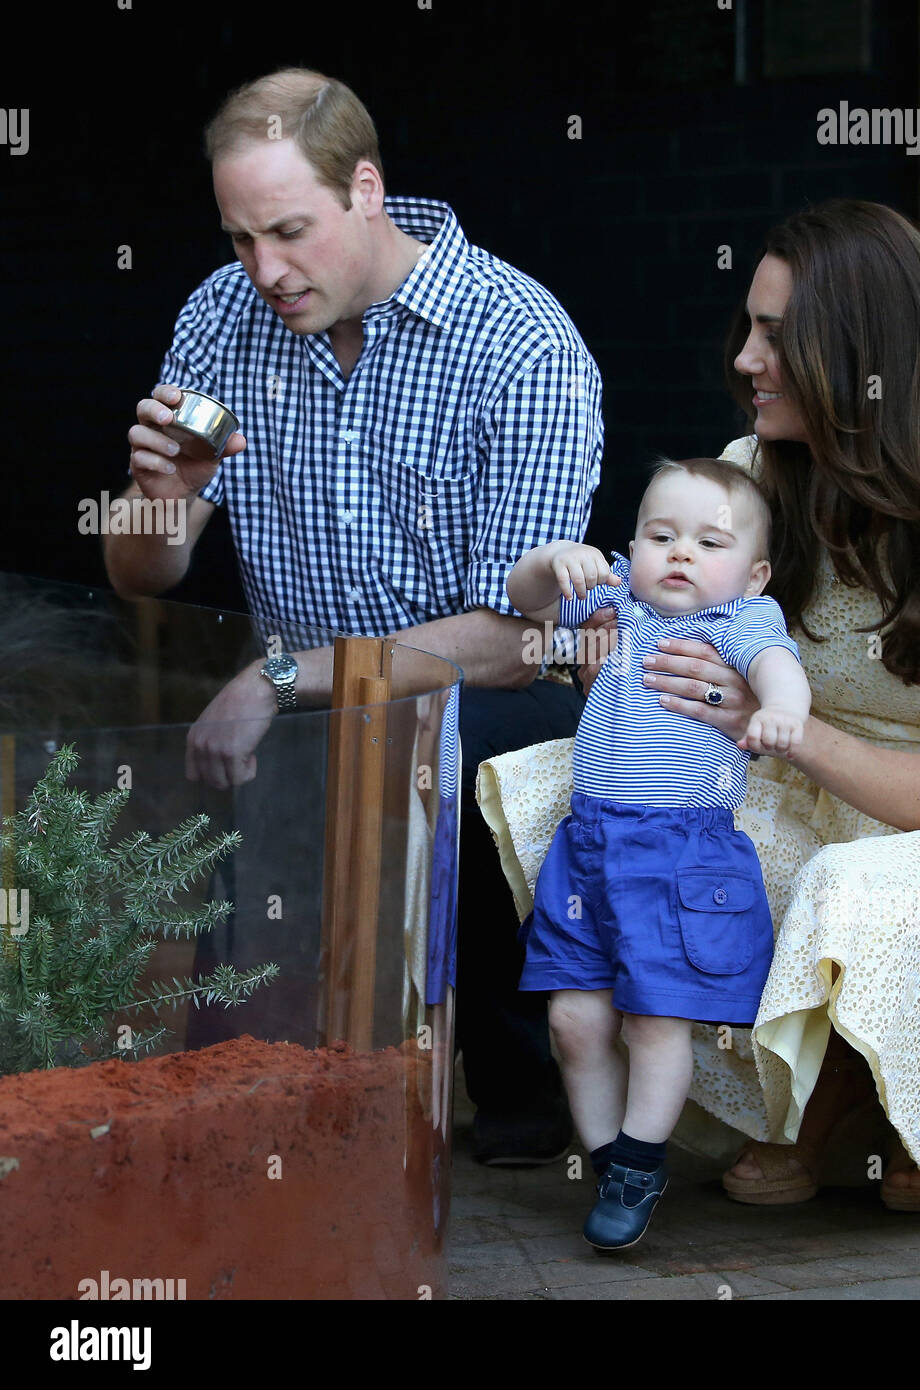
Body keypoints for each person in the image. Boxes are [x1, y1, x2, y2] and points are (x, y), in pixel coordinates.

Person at [476, 199, 920, 1218]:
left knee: (848, 885)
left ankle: (886, 1099)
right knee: (579, 803)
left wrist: (782, 728)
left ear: (862, 355)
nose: (747, 358)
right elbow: (689, 662)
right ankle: (805, 1093)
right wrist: (620, 675)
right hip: (791, 777)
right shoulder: (756, 470)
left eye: (777, 335)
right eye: (751, 327)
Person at [104, 68, 604, 1164]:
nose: (265, 271)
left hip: (487, 702)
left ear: (366, 189)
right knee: (252, 1082)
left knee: (429, 735)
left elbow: (513, 641)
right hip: (305, 706)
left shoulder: (520, 342)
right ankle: (282, 1075)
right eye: (240, 238)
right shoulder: (219, 313)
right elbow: (145, 572)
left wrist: (284, 678)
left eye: (290, 231)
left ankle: (516, 1079)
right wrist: (160, 502)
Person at [506, 457, 809, 1247]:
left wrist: (782, 710)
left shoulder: (738, 623)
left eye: (710, 542)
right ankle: (613, 1160)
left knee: (653, 1018)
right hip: (590, 845)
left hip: (681, 854)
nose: (679, 554)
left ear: (754, 572)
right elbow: (526, 600)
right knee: (574, 1017)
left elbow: (779, 668)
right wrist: (550, 562)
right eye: (660, 535)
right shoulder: (620, 601)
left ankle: (638, 1164)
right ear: (631, 547)